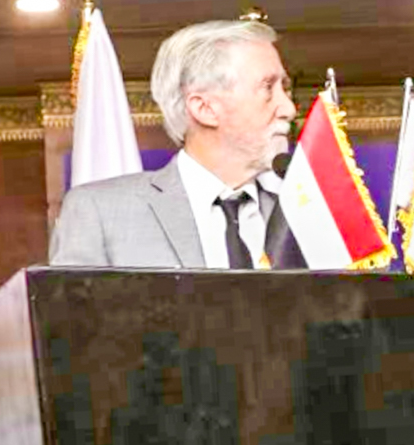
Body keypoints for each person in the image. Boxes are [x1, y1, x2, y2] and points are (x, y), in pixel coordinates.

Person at [49, 19, 304, 268]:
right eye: (268, 88)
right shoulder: (100, 212)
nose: (289, 109)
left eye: (284, 88)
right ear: (204, 109)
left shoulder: (303, 212)